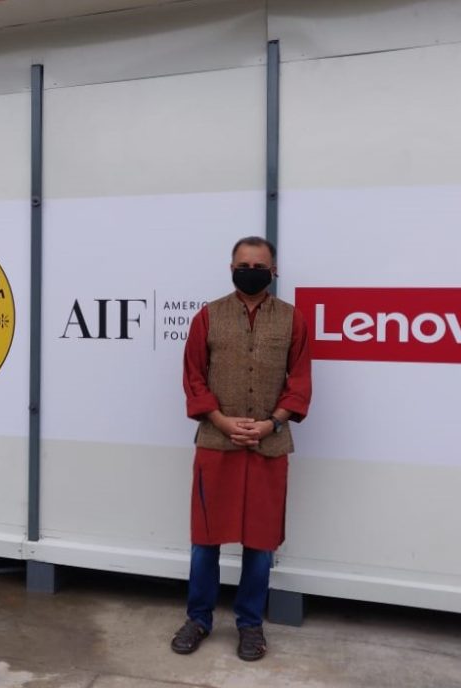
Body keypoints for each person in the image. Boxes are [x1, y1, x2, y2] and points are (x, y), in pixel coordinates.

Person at [170, 236, 312, 661]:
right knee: (205, 541)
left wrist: (272, 423)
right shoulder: (207, 317)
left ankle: (250, 625)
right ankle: (198, 618)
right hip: (217, 444)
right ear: (231, 267)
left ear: (273, 272)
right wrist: (220, 420)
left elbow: (300, 381)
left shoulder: (292, 320)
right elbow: (193, 376)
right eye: (243, 263)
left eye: (260, 265)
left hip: (269, 446)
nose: (251, 270)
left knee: (260, 542)